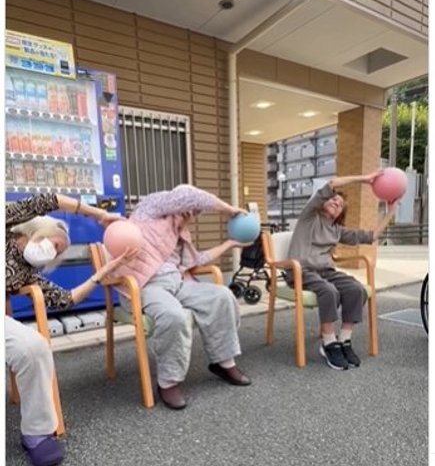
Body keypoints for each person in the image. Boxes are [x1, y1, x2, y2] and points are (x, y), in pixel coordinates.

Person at [6, 193, 137, 466]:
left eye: (58, 253)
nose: (53, 253)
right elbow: (48, 200)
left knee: (34, 347)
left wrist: (104, 272)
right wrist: (99, 214)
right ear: (40, 231)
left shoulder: (28, 274)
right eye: (55, 245)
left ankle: (37, 433)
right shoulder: (7, 223)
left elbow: (66, 299)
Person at [114, 183, 252, 410]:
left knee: (222, 296)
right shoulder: (149, 210)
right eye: (189, 208)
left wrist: (231, 244)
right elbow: (188, 195)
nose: (190, 213)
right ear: (176, 203)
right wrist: (229, 210)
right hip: (146, 286)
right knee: (173, 316)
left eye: (195, 212)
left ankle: (224, 362)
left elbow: (197, 260)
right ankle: (168, 382)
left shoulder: (181, 234)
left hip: (178, 282)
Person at [285, 171, 397, 371]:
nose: (336, 202)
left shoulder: (337, 230)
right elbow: (332, 183)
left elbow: (372, 236)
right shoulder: (310, 216)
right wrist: (364, 179)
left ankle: (344, 339)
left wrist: (390, 211)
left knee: (356, 289)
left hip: (325, 272)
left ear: (340, 214)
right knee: (329, 291)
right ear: (323, 202)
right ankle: (329, 343)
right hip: (301, 271)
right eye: (333, 199)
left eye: (340, 204)